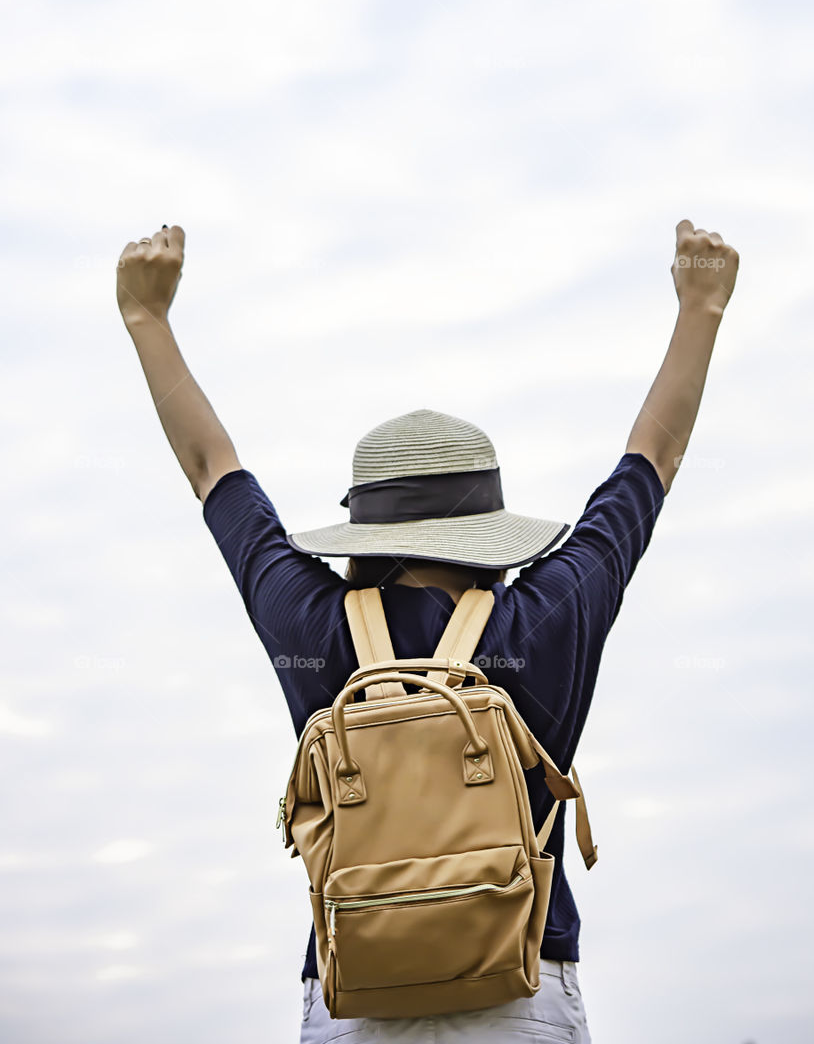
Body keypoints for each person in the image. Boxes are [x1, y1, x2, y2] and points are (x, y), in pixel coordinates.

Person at [116, 219, 739, 1042]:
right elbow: (649, 463)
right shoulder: (545, 613)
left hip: (355, 991)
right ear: (489, 530)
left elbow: (212, 470)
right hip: (521, 990)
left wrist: (145, 318)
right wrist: (701, 303)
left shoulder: (311, 620)